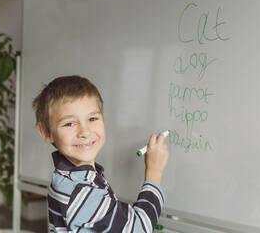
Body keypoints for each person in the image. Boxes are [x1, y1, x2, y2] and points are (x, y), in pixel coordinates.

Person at [32, 75, 169, 232]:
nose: (84, 132)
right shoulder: (80, 191)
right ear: (45, 132)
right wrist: (154, 171)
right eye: (69, 123)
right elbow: (139, 228)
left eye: (92, 118)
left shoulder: (68, 177)